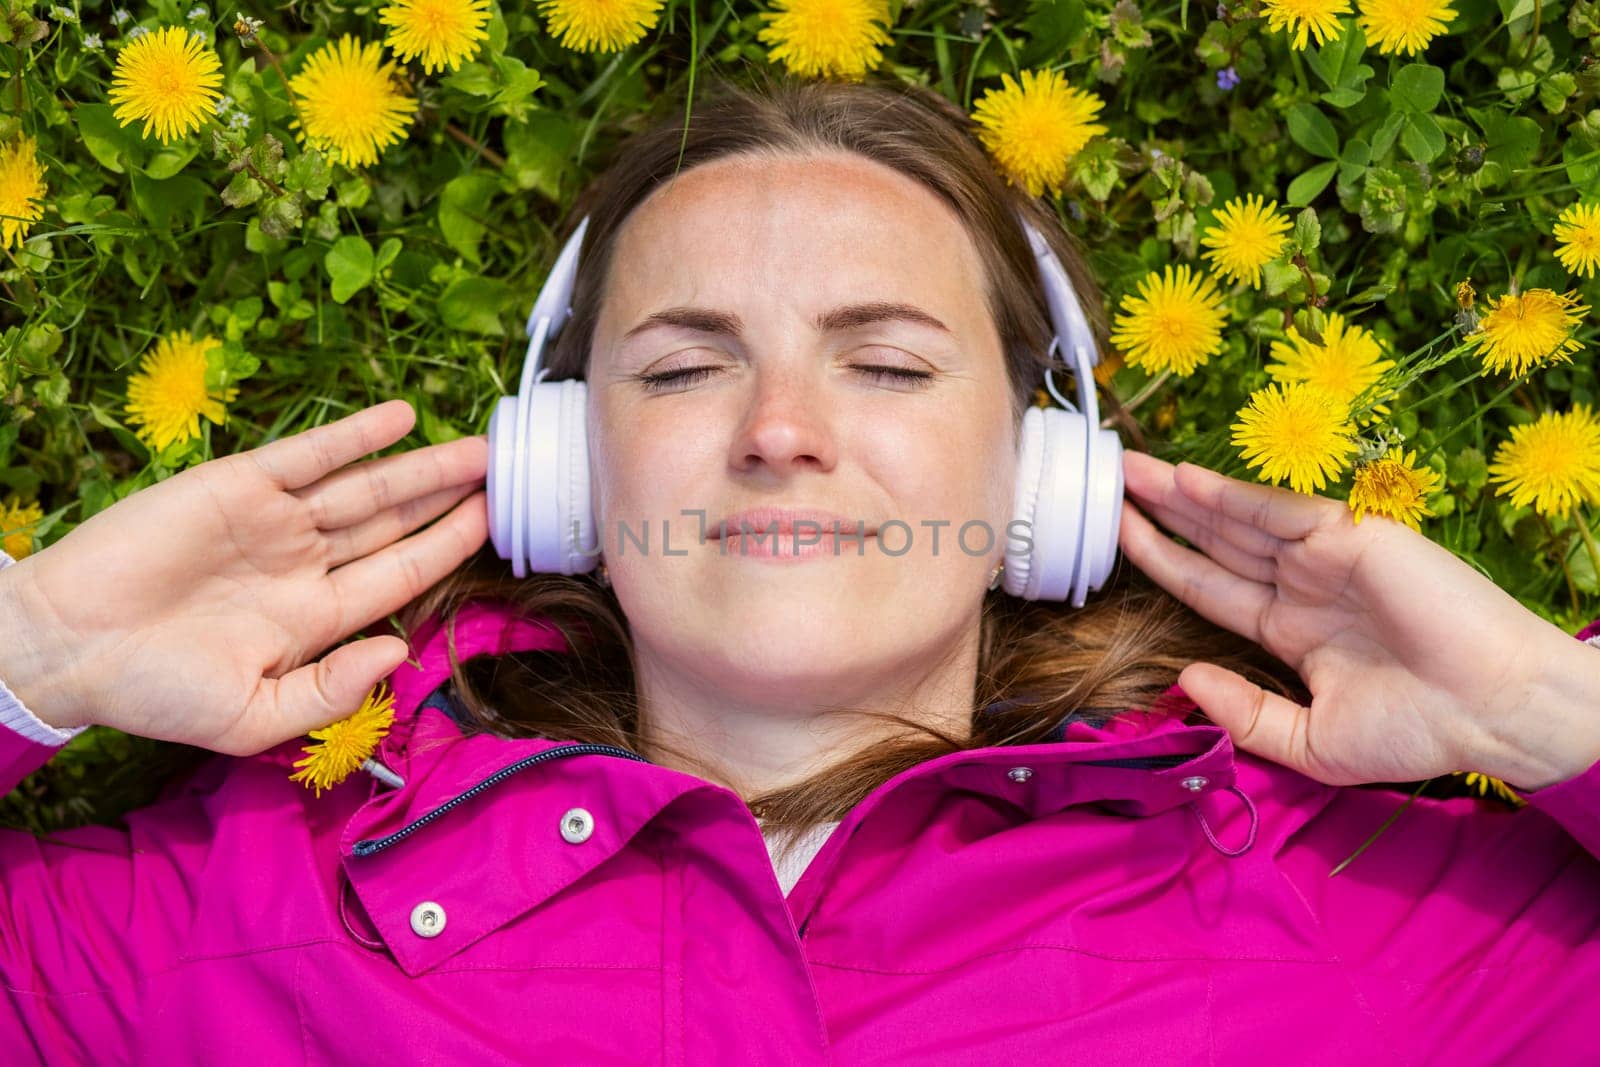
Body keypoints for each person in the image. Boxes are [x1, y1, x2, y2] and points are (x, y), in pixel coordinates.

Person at [2, 73, 1598, 1065]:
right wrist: (32, 659)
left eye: (889, 367)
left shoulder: (1359, 922)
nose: (780, 431)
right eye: (683, 368)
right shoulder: (227, 910)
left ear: (1047, 473)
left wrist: (1554, 716)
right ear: (567, 474)